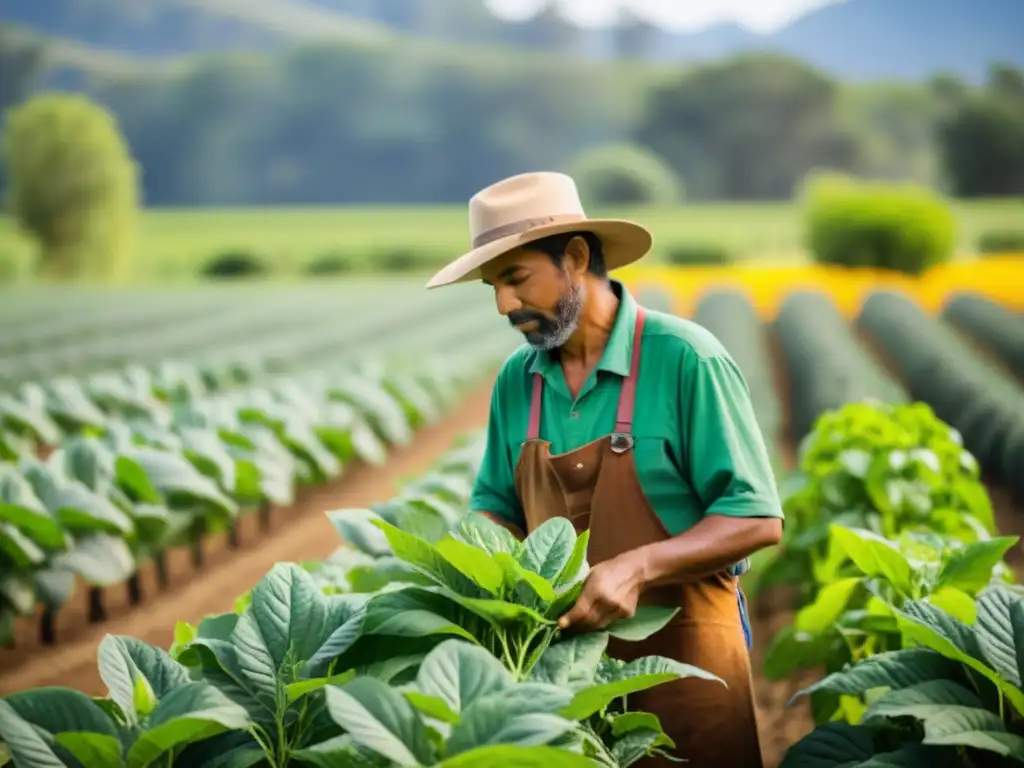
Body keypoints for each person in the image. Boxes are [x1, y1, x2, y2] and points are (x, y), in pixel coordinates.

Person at [426, 171, 783, 767]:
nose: (504, 305)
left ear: (574, 256)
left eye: (515, 279)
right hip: (564, 680)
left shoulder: (685, 359)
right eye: (492, 286)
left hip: (690, 666)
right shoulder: (519, 380)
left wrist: (637, 568)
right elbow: (493, 507)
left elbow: (755, 518)